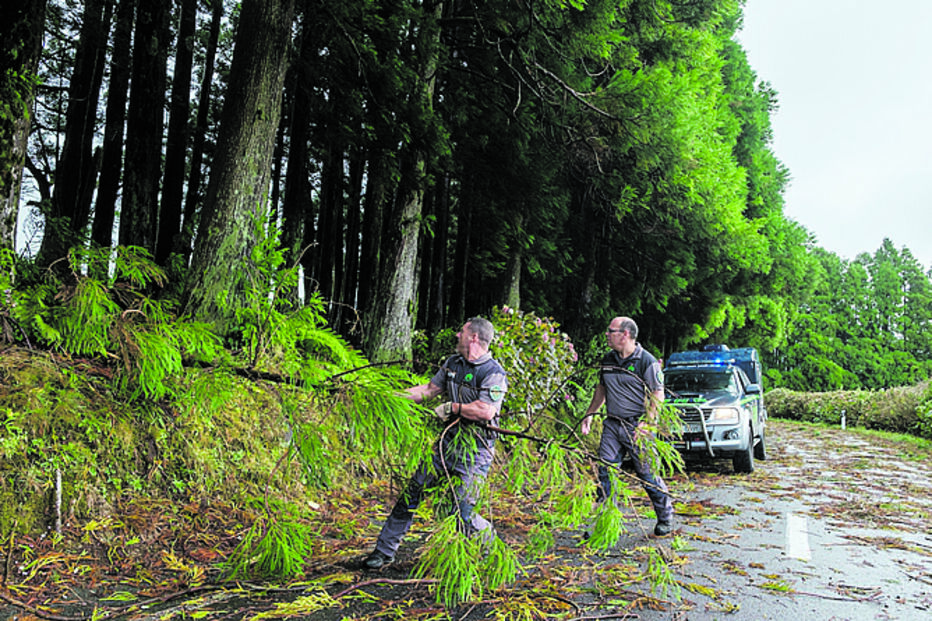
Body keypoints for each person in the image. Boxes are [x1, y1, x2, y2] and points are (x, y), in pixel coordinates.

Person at [363, 317, 508, 569]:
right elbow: (428, 389)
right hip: (445, 445)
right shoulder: (453, 363)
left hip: (475, 453)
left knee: (464, 511)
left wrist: (453, 407)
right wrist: (391, 397)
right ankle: (383, 551)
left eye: (461, 331)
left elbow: (486, 411)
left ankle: (492, 551)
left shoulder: (493, 372)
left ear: (474, 337)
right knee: (412, 494)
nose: (457, 336)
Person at [581, 316, 674, 537]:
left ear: (625, 334)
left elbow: (657, 394)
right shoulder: (608, 360)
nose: (607, 334)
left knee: (647, 475)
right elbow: (601, 389)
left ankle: (665, 517)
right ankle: (604, 524)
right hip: (612, 425)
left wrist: (648, 423)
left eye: (611, 331)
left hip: (637, 426)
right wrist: (590, 414)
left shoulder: (646, 361)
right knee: (606, 472)